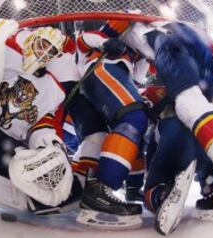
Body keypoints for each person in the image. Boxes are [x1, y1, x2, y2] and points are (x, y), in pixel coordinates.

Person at [98, 19, 213, 233]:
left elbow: (110, 41)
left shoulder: (132, 25)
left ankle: (166, 192)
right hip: (200, 47)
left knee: (186, 103)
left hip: (172, 127)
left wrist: (106, 46)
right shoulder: (161, 28)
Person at [73, 24, 149, 229]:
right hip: (104, 68)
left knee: (135, 131)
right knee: (134, 117)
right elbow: (83, 39)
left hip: (113, 76)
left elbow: (138, 80)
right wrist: (105, 42)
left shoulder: (143, 49)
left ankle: (132, 188)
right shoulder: (131, 18)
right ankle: (100, 191)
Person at [0, 26, 81, 208]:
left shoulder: (51, 88)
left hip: (9, 142)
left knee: (51, 149)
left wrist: (50, 147)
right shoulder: (5, 52)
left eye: (51, 51)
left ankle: (41, 199)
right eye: (43, 45)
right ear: (32, 39)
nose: (44, 53)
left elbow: (43, 122)